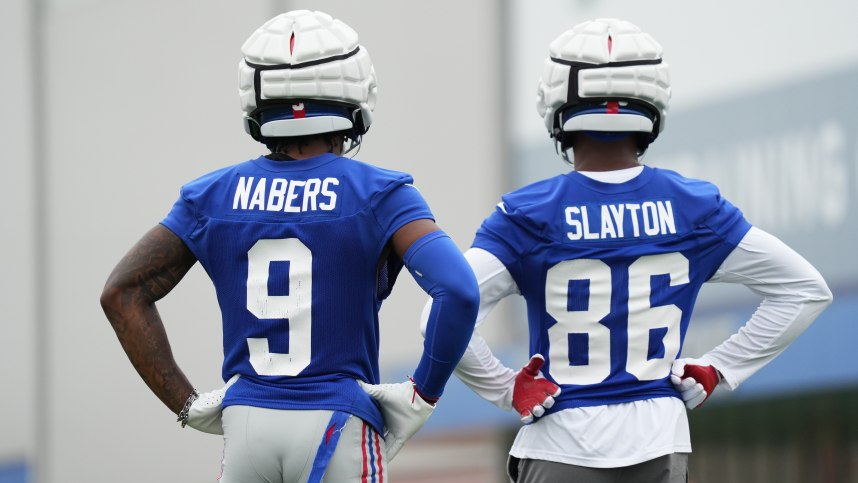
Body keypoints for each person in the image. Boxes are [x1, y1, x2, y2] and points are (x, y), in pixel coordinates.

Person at [430, 18, 833, 483]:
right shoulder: (693, 206)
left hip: (561, 441)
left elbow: (443, 309)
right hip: (659, 441)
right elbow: (805, 289)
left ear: (557, 104)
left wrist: (505, 388)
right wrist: (720, 369)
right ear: (654, 101)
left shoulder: (529, 213)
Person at [100, 10, 479, 483]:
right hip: (338, 424)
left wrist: (186, 403)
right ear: (353, 89)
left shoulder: (210, 196)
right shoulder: (379, 194)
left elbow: (122, 293)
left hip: (246, 430)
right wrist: (422, 394)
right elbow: (459, 291)